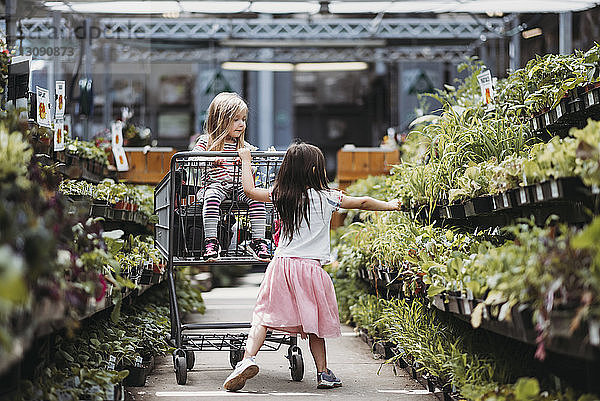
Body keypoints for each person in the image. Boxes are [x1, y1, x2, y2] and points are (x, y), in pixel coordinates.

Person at [222, 143, 401, 392]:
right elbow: (362, 202)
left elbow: (250, 191)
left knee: (262, 316)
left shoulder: (281, 194)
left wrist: (246, 159)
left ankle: (247, 360)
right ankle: (323, 373)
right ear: (316, 169)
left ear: (288, 169)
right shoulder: (328, 196)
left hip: (282, 266)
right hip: (311, 270)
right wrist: (390, 205)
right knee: (313, 324)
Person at [193, 92, 270, 262]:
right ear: (220, 119)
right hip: (215, 186)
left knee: (257, 197)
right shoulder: (207, 141)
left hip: (238, 188)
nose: (241, 124)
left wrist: (248, 162)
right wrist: (209, 160)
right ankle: (211, 241)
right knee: (211, 198)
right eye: (236, 120)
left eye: (243, 119)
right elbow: (192, 159)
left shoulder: (242, 145)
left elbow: (255, 158)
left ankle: (258, 241)